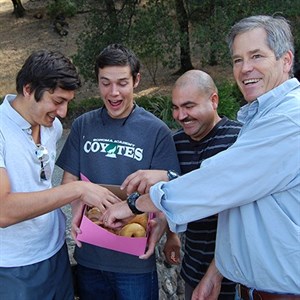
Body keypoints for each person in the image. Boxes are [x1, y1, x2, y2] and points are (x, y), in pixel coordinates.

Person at [103, 15, 300, 299]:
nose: (245, 69)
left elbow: (218, 182)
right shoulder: (261, 119)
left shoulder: (288, 122)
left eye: (256, 56)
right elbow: (245, 206)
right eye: (237, 59)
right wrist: (216, 271)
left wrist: (135, 204)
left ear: (286, 60)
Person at [56, 43, 180, 300]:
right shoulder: (82, 125)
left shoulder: (156, 131)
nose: (113, 92)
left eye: (122, 82)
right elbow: (69, 181)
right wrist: (75, 210)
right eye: (105, 83)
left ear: (136, 81)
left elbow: (170, 191)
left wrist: (165, 229)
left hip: (134, 263)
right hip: (89, 257)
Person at [0, 50, 122, 300]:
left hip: (55, 254)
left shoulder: (51, 126)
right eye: (57, 101)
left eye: (68, 102)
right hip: (12, 265)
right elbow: (3, 211)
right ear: (28, 88)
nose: (64, 112)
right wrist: (76, 189)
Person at [121, 69, 242, 299]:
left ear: (213, 100)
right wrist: (172, 235)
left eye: (189, 106)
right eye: (175, 107)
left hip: (235, 276)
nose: (180, 115)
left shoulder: (239, 139)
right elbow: (169, 200)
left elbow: (223, 201)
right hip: (191, 271)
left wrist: (164, 180)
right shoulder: (174, 142)